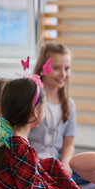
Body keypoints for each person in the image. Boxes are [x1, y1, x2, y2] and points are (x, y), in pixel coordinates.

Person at [0, 77, 88, 189]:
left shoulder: (5, 139)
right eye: (44, 108)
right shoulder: (22, 149)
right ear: (35, 112)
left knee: (53, 165)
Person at [29, 42, 77, 178]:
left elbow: (69, 143)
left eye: (67, 68)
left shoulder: (69, 105)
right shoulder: (30, 99)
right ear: (42, 68)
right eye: (56, 68)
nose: (63, 74)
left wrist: (66, 164)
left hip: (56, 165)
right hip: (32, 164)